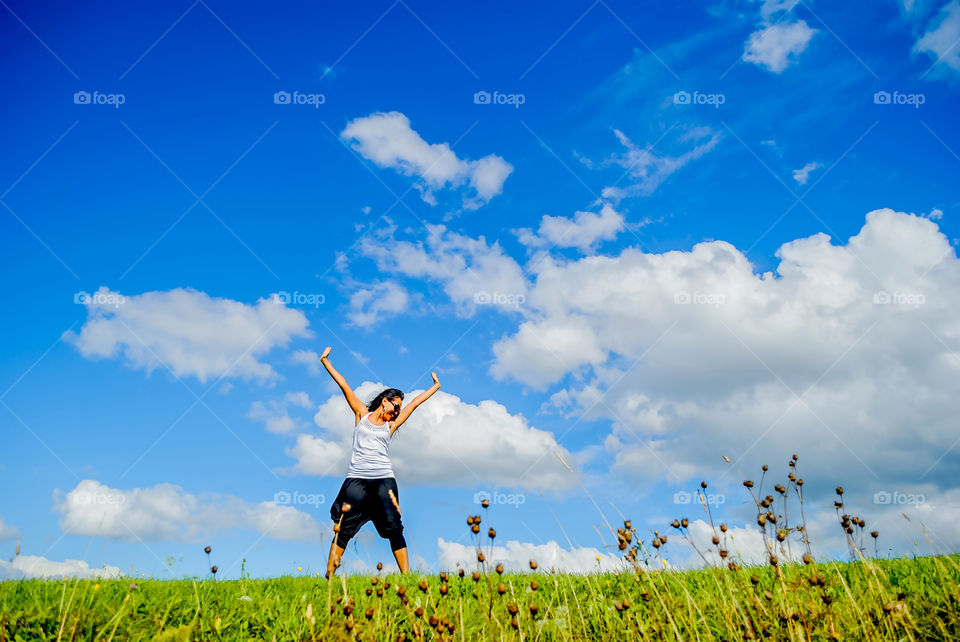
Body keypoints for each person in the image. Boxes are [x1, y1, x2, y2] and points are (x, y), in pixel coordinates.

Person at [319, 346, 441, 577]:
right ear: (384, 401)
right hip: (356, 479)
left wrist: (435, 387)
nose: (397, 411)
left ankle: (407, 577)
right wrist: (326, 362)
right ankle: (329, 577)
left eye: (399, 409)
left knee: (394, 528)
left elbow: (415, 404)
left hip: (384, 480)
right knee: (343, 529)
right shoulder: (361, 414)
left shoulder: (390, 425)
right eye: (395, 406)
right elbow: (344, 385)